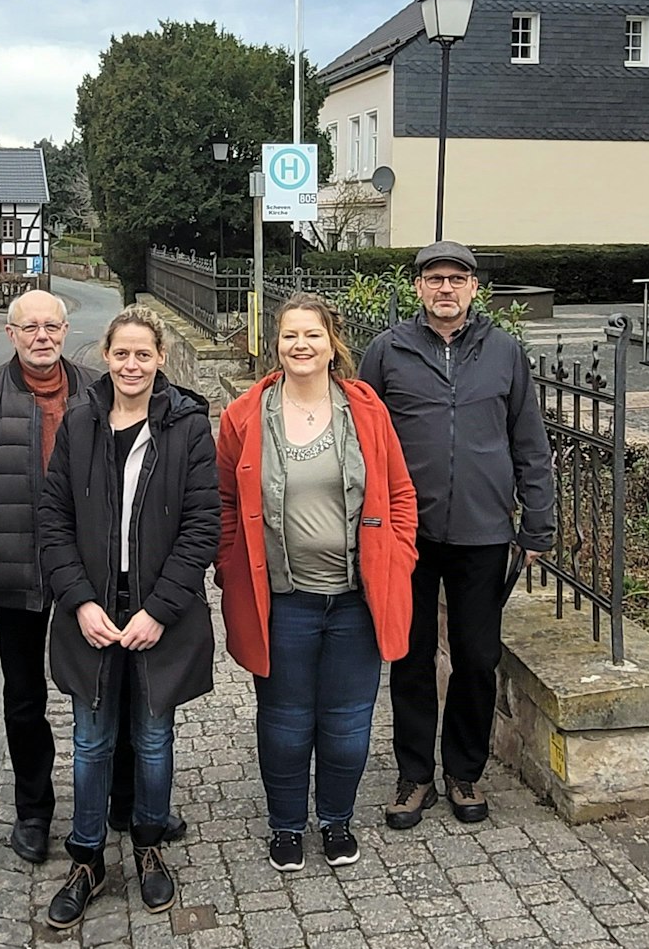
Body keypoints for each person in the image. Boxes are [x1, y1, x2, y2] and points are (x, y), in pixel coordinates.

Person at [0, 291, 184, 866]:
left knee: (115, 689)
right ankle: (34, 810)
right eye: (30, 327)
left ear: (68, 329)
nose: (42, 336)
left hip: (93, 573)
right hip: (17, 573)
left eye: (52, 326)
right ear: (11, 333)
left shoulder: (96, 392)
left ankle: (126, 801)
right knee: (25, 699)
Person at [216, 293, 418, 873]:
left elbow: (400, 494)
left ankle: (336, 821)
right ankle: (286, 826)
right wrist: (231, 564)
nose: (300, 345)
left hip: (356, 600)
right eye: (289, 336)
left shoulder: (367, 411)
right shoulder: (246, 416)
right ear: (275, 345)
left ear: (333, 343)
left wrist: (397, 557)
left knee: (349, 720)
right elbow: (225, 502)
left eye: (312, 335)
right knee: (284, 721)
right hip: (282, 601)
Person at [358, 241, 555, 829]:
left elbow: (530, 442)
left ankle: (463, 770)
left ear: (474, 288)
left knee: (477, 656)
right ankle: (415, 774)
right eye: (435, 278)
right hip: (406, 534)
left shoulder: (504, 353)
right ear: (418, 287)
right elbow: (363, 441)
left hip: (483, 529)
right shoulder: (388, 351)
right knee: (411, 657)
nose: (446, 288)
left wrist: (538, 521)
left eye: (457, 278)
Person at [36, 306, 219, 930]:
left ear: (161, 358)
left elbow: (201, 530)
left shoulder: (190, 427)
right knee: (89, 740)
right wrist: (80, 601)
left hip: (155, 613)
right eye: (122, 354)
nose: (132, 365)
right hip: (92, 607)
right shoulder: (80, 424)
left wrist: (160, 611)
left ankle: (148, 844)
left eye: (144, 354)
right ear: (105, 357)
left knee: (151, 736)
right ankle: (85, 858)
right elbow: (52, 521)